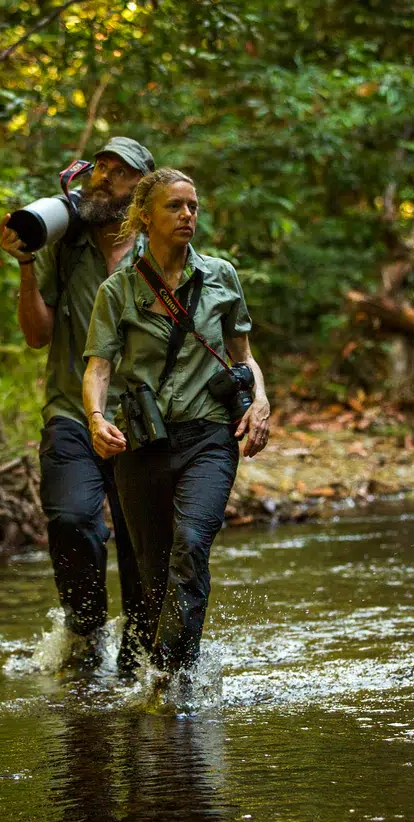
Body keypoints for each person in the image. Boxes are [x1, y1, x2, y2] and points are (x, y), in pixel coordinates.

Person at [81, 168, 271, 697]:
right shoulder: (117, 291)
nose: (188, 215)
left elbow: (244, 357)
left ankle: (173, 680)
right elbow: (98, 368)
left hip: (210, 438)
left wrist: (261, 402)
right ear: (144, 216)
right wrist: (97, 419)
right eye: (175, 207)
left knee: (191, 545)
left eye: (193, 205)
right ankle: (143, 673)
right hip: (142, 446)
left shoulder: (221, 276)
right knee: (149, 575)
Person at [0, 136, 156, 671]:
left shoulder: (157, 251)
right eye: (100, 167)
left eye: (119, 172)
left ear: (143, 191)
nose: (103, 178)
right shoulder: (68, 246)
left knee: (141, 552)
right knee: (71, 521)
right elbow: (37, 336)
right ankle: (84, 633)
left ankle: (140, 661)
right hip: (70, 413)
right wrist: (25, 266)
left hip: (141, 421)